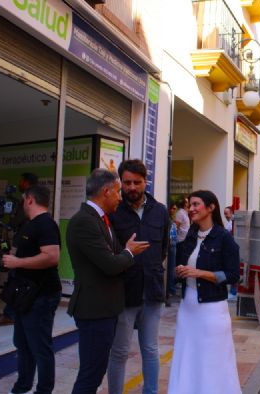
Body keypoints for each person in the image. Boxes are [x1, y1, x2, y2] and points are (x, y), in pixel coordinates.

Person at [66, 168, 149, 393]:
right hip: (94, 310)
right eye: (118, 192)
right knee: (90, 375)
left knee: (95, 371)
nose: (121, 197)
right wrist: (129, 252)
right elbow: (110, 264)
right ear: (106, 191)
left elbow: (112, 257)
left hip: (106, 309)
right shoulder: (84, 221)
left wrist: (124, 252)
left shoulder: (102, 219)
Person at [168, 190, 241, 394]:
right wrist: (180, 271)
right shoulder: (190, 235)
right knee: (188, 356)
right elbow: (184, 266)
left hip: (212, 310)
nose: (191, 209)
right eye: (190, 205)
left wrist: (201, 273)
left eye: (196, 204)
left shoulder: (224, 238)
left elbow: (233, 275)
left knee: (212, 360)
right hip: (187, 308)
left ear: (211, 207)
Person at [107, 160, 170, 394]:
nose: (132, 187)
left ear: (146, 182)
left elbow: (163, 248)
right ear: (120, 183)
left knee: (151, 349)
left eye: (137, 182)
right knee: (120, 351)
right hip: (124, 292)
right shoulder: (113, 212)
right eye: (127, 182)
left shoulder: (160, 211)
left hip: (152, 292)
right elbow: (110, 252)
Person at [1, 184, 61, 394]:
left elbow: (52, 257)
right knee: (23, 344)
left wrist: (17, 263)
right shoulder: (29, 224)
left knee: (39, 346)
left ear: (30, 199)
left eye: (23, 199)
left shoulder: (46, 224)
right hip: (24, 296)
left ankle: (43, 390)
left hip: (41, 296)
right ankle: (22, 386)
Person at [0, 172, 39, 327]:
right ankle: (11, 312)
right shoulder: (36, 197)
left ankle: (9, 313)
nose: (19, 183)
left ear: (26, 183)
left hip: (23, 241)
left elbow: (17, 221)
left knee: (16, 277)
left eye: (21, 181)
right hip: (26, 240)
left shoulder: (28, 199)